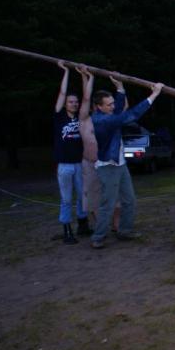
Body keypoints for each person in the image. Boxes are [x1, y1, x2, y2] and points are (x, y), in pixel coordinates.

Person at [90, 76, 164, 249]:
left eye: (112, 103)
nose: (113, 106)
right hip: (108, 166)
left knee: (129, 199)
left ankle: (125, 230)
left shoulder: (109, 114)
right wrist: (154, 95)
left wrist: (120, 89)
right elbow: (132, 114)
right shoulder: (102, 120)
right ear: (99, 107)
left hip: (120, 164)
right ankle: (98, 236)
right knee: (108, 203)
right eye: (109, 104)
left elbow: (118, 110)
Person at [76, 66, 122, 233]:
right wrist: (89, 76)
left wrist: (119, 85)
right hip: (89, 163)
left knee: (114, 195)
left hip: (107, 162)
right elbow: (86, 97)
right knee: (93, 198)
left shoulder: (108, 118)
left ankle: (116, 225)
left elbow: (123, 105)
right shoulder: (84, 119)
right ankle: (99, 226)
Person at [53, 61, 88, 244]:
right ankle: (67, 231)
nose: (74, 104)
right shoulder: (59, 117)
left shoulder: (81, 117)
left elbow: (87, 97)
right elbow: (62, 93)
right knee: (66, 199)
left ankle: (83, 224)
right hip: (65, 165)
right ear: (65, 104)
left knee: (83, 195)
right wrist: (66, 71)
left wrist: (84, 75)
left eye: (76, 102)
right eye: (70, 102)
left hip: (79, 163)